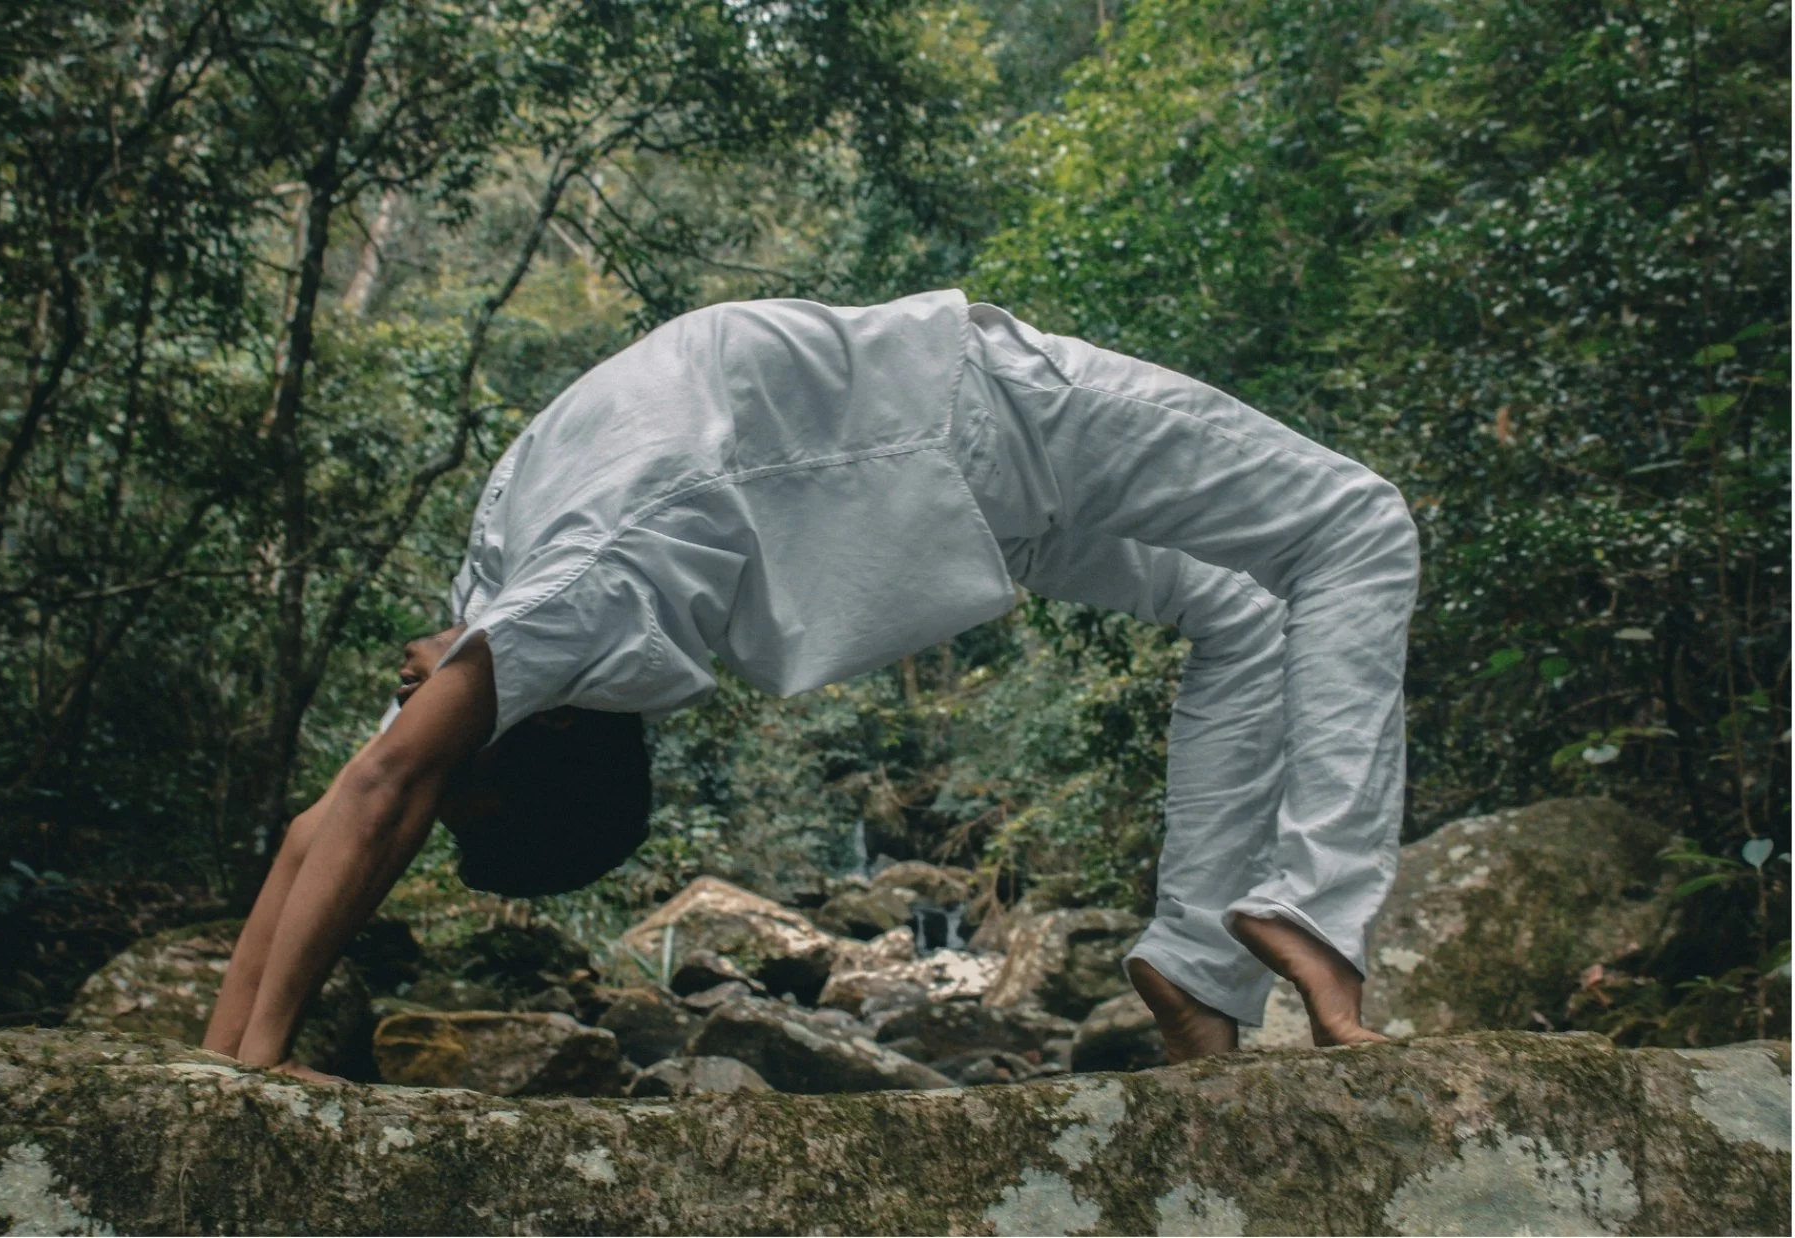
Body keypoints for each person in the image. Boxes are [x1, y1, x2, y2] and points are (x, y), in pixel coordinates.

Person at [202, 289, 1419, 1079]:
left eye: (449, 784)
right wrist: (235, 1061)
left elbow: (360, 801)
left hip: (944, 451)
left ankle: (1202, 969)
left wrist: (243, 1055)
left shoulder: (529, 613)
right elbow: (355, 808)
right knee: (1355, 526)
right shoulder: (551, 612)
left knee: (1250, 591)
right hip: (953, 439)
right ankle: (1302, 913)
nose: (427, 763)